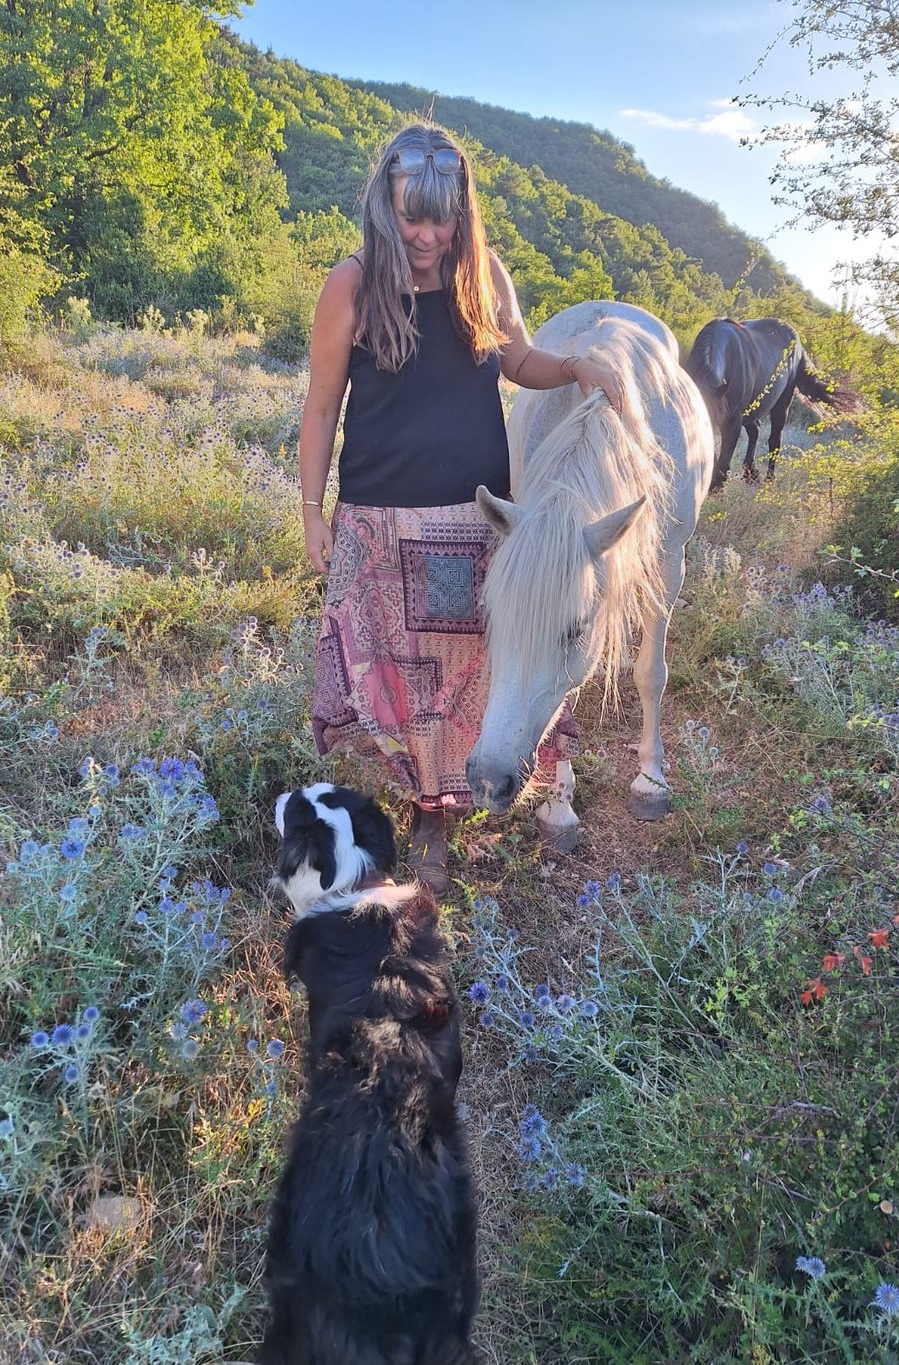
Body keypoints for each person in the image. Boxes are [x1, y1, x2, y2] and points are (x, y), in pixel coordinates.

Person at [299, 122, 623, 894]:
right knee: (397, 683)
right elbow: (320, 409)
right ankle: (422, 806)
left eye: (443, 218)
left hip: (473, 518)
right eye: (413, 215)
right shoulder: (350, 285)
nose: (427, 234)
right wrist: (312, 508)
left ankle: (438, 814)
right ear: (385, 203)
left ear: (463, 212)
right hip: (380, 521)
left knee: (459, 678)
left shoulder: (482, 275)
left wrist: (577, 367)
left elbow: (517, 360)